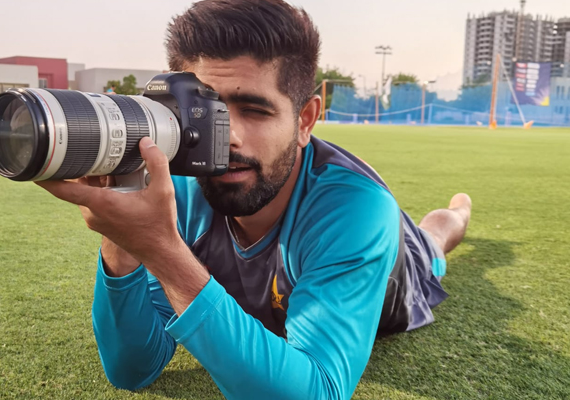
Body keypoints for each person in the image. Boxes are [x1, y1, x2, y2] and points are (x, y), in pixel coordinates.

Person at [36, 1, 472, 399]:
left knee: (432, 240)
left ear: (305, 120)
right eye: (206, 113)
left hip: (395, 266)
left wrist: (162, 251)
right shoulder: (177, 192)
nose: (229, 138)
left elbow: (315, 391)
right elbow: (133, 369)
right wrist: (121, 244)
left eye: (255, 110)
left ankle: (455, 214)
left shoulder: (353, 210)